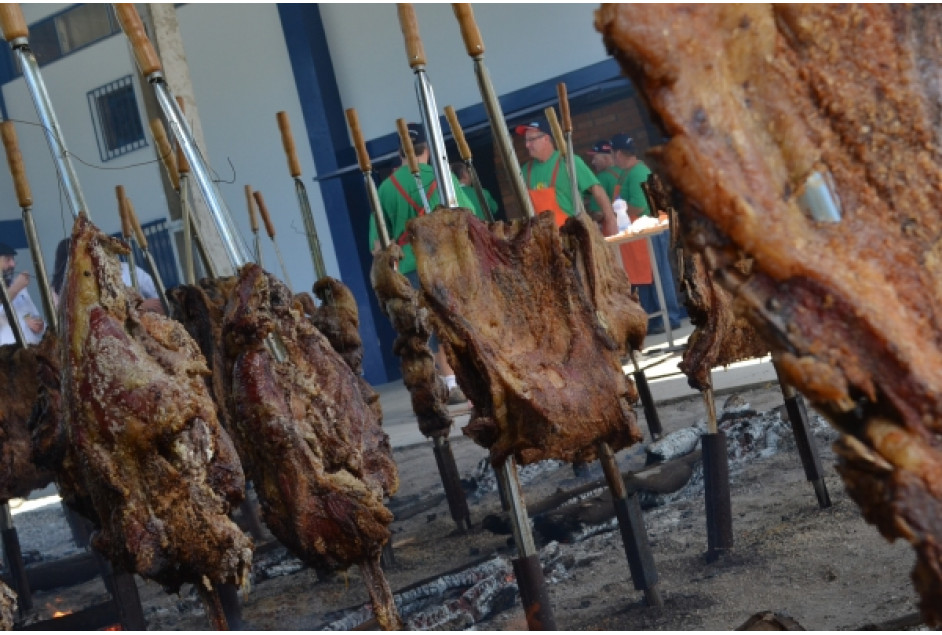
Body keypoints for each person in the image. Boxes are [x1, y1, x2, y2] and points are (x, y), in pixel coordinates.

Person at [369, 123, 482, 405]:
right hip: (444, 262)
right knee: (452, 320)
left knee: (422, 327)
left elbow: (377, 246)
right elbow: (469, 216)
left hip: (409, 268)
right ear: (427, 150)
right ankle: (463, 380)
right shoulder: (442, 177)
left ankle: (441, 384)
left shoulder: (386, 188)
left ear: (400, 152)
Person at [610, 133, 686, 334]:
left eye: (612, 153)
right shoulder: (627, 173)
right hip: (640, 232)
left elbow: (638, 205)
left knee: (659, 273)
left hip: (652, 230)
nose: (612, 157)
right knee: (648, 276)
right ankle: (656, 319)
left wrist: (616, 211)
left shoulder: (637, 173)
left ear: (619, 153)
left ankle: (670, 317)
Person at [514, 117, 617, 236]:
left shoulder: (569, 162)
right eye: (526, 140)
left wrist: (611, 220)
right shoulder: (525, 171)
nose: (527, 145)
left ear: (546, 138)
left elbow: (597, 191)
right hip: (544, 241)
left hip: (572, 236)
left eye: (531, 140)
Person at [50, 237, 165, 315]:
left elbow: (157, 294)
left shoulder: (125, 269)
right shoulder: (61, 292)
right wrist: (138, 307)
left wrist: (152, 306)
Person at [0, 242, 45, 346]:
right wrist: (15, 289)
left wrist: (36, 323)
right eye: (7, 260)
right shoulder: (17, 287)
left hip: (31, 350)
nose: (13, 264)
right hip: (6, 354)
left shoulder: (18, 287)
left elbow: (28, 313)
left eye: (13, 259)